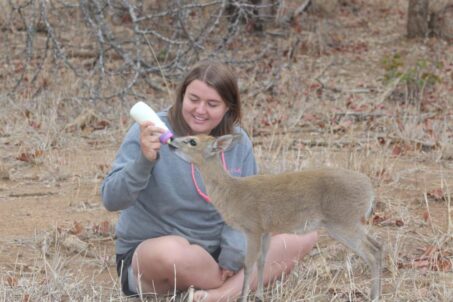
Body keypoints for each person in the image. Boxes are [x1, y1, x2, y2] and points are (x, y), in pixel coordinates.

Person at [101, 61, 318, 302]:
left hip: (218, 252)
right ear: (182, 95)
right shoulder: (149, 131)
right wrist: (144, 160)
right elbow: (112, 199)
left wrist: (233, 255)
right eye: (193, 99)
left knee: (305, 229)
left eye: (212, 104)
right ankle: (231, 283)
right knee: (172, 252)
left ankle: (220, 294)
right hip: (157, 258)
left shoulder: (237, 141)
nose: (200, 110)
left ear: (228, 107)